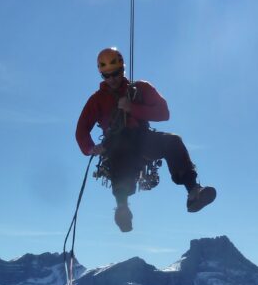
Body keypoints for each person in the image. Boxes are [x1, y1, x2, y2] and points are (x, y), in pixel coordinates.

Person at [75, 47, 216, 232]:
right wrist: (90, 148)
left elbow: (164, 113)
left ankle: (193, 191)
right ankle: (122, 208)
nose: (112, 79)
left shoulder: (140, 89)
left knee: (173, 141)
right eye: (106, 75)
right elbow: (81, 130)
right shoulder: (97, 100)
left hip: (142, 140)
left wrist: (132, 108)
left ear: (123, 69)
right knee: (119, 147)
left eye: (115, 73)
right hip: (117, 144)